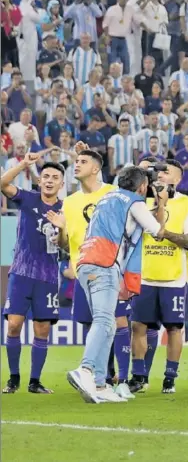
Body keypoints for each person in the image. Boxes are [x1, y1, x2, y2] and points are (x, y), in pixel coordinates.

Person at [66, 166, 167, 404]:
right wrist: (161, 202)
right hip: (105, 263)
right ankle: (87, 369)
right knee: (103, 320)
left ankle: (100, 385)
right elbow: (157, 231)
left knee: (109, 323)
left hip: (85, 262)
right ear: (143, 186)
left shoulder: (107, 197)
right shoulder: (134, 201)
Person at [129, 160, 188, 394]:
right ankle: (138, 376)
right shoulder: (140, 201)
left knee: (173, 328)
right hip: (145, 275)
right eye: (157, 171)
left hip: (174, 277)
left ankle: (170, 378)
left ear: (177, 180)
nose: (160, 175)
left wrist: (164, 233)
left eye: (166, 172)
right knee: (138, 326)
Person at [1, 155, 65, 394]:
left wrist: (63, 231)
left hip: (48, 277)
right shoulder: (27, 199)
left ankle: (34, 381)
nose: (49, 180)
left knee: (42, 330)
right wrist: (23, 165)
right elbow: (2, 184)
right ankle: (14, 377)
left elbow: (67, 246)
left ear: (61, 184)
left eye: (55, 177)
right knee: (14, 325)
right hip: (21, 273)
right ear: (40, 180)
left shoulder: (65, 209)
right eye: (46, 176)